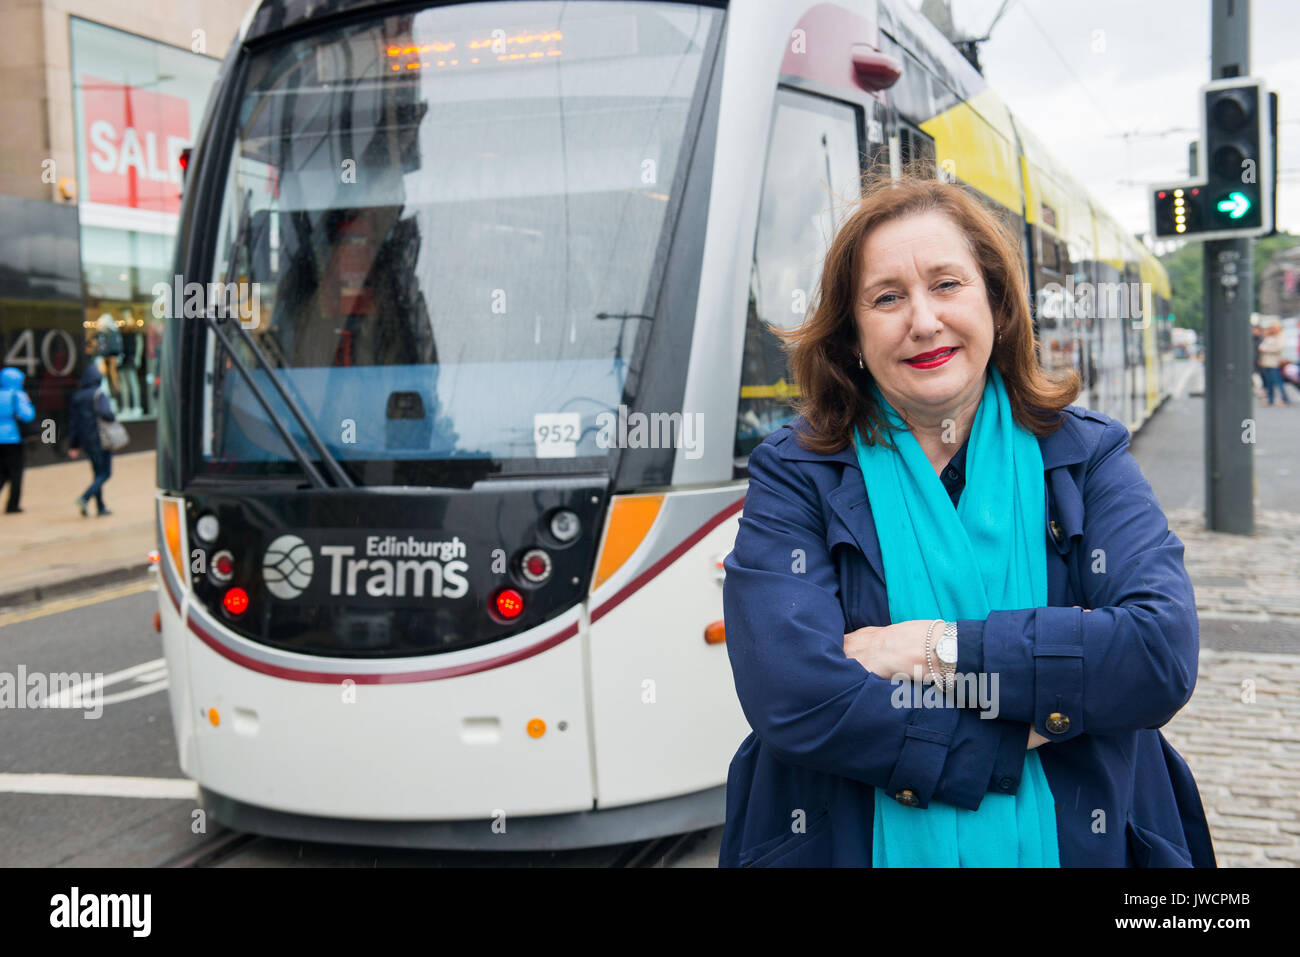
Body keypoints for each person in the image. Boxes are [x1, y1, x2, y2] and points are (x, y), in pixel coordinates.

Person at [718, 172, 1215, 868]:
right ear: (854, 336)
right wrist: (1017, 731)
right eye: (887, 298)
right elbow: (795, 696)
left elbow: (1158, 653)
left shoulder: (1085, 454)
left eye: (947, 284)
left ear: (998, 307)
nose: (923, 320)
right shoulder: (795, 471)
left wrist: (930, 648)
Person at [67, 363, 116, 517]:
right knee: (105, 474)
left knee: (97, 474)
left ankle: (100, 507)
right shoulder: (99, 394)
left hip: (87, 442)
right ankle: (85, 497)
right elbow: (107, 414)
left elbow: (73, 424)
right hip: (101, 440)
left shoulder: (77, 397)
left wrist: (73, 445)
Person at [0, 366, 36, 513]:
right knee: (16, 473)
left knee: (2, 472)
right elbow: (28, 415)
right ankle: (12, 505)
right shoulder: (18, 395)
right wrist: (28, 402)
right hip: (13, 438)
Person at [1257, 321, 1293, 406]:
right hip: (1266, 362)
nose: (1272, 330)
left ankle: (1285, 398)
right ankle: (1270, 400)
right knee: (1268, 382)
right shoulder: (1269, 336)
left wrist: (1267, 350)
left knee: (1278, 381)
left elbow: (1279, 348)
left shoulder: (1280, 336)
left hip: (1274, 362)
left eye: (1274, 328)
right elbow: (1262, 346)